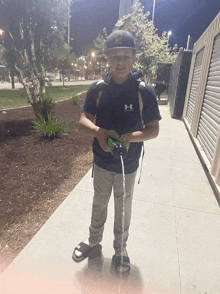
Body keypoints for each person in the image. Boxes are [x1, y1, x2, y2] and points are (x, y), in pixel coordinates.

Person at [72, 30, 162, 273]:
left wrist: (133, 137)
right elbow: (83, 119)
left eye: (125, 56)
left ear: (133, 58)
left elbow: (154, 130)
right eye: (114, 57)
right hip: (101, 162)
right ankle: (93, 243)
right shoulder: (97, 89)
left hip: (128, 164)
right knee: (99, 203)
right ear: (107, 59)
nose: (120, 62)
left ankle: (120, 250)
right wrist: (98, 131)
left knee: (123, 207)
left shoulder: (144, 91)